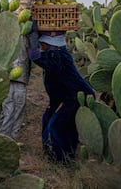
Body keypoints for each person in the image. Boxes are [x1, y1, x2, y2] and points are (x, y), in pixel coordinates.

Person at [27, 23, 95, 164]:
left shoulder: (56, 55)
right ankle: (54, 153)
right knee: (49, 119)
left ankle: (62, 160)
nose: (42, 47)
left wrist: (33, 35)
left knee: (57, 126)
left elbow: (36, 57)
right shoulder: (57, 52)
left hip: (77, 97)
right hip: (65, 96)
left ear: (48, 44)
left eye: (43, 44)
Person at [0, 0, 48, 141]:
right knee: (11, 108)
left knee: (18, 110)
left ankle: (10, 144)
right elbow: (26, 1)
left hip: (20, 75)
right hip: (13, 74)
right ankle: (2, 143)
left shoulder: (28, 23)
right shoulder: (17, 17)